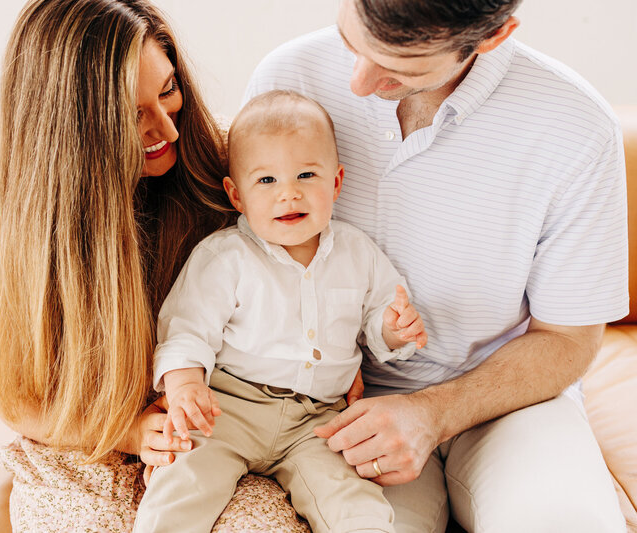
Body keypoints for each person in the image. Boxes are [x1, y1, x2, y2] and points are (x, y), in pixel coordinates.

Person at [244, 1, 629, 532]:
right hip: (333, 399)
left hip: (509, 398)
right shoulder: (288, 78)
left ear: (493, 36)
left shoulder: (577, 127)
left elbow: (568, 338)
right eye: (351, 42)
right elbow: (251, 254)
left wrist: (433, 412)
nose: (357, 82)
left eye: (399, 68)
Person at [0, 1, 310, 531]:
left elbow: (310, 266)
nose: (167, 129)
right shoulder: (16, 220)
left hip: (217, 443)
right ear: (67, 129)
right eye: (129, 113)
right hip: (84, 452)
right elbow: (17, 401)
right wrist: (127, 432)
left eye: (168, 90)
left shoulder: (226, 171)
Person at [134, 90, 427, 533]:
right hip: (228, 408)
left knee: (356, 504)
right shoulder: (224, 256)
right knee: (181, 482)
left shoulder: (358, 253)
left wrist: (394, 329)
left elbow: (378, 318)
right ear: (236, 194)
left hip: (319, 419)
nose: (288, 193)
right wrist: (185, 384)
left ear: (336, 182)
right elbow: (187, 328)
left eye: (306, 175)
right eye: (266, 181)